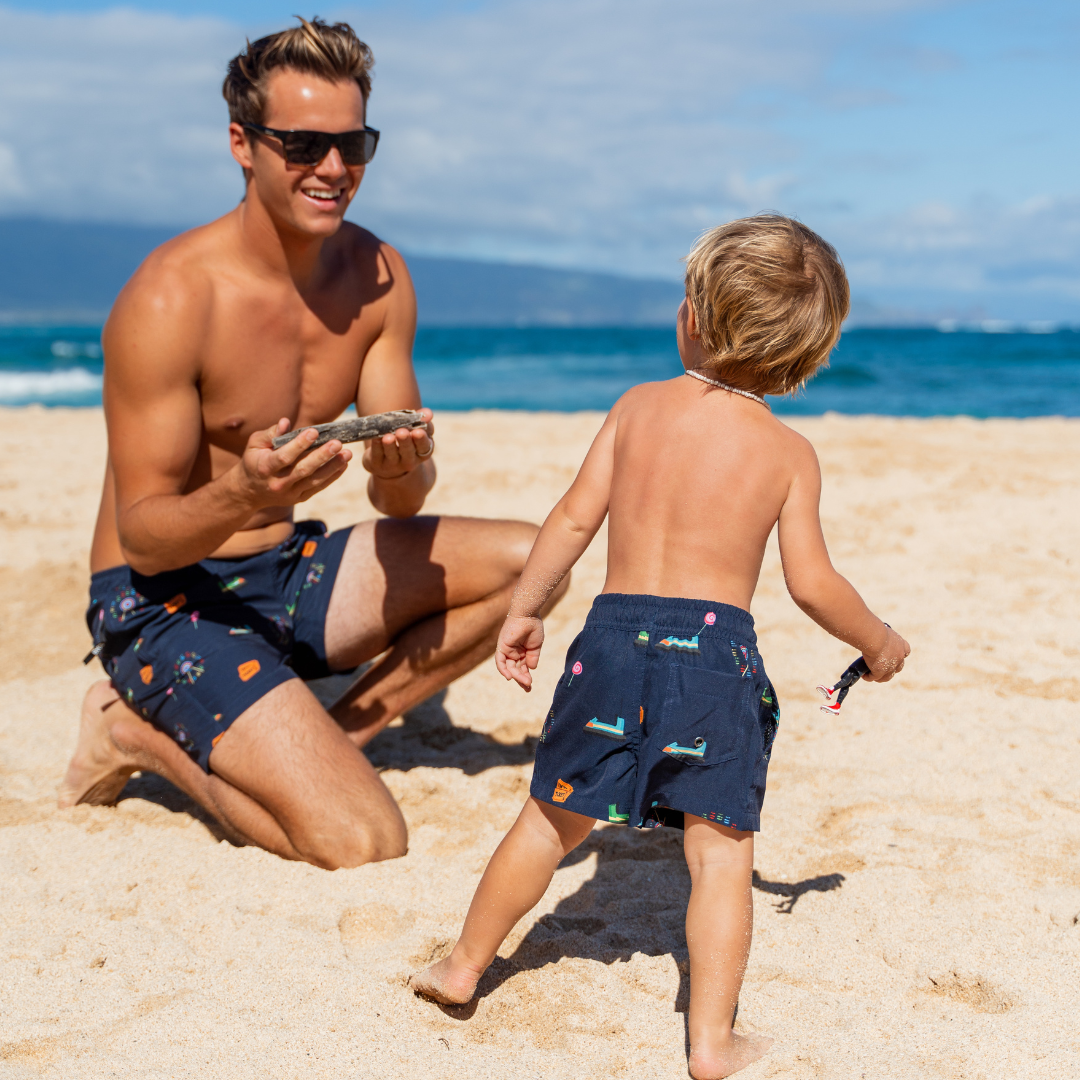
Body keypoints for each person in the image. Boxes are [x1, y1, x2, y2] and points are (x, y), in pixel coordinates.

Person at [409, 215, 910, 1078]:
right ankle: (712, 1044)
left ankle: (461, 969)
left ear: (696, 318)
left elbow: (572, 517)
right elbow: (812, 583)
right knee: (720, 854)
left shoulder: (637, 408)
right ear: (805, 354)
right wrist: (879, 639)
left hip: (609, 639)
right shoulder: (788, 453)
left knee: (548, 818)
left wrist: (524, 610)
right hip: (713, 658)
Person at [59, 17, 565, 869]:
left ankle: (337, 734)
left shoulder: (379, 277)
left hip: (287, 567)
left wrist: (405, 468)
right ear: (242, 145)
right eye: (301, 144)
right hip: (162, 595)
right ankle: (130, 735)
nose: (333, 169)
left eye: (353, 143)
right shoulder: (170, 297)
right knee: (360, 839)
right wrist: (242, 495)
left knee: (531, 561)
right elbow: (142, 537)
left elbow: (399, 500)